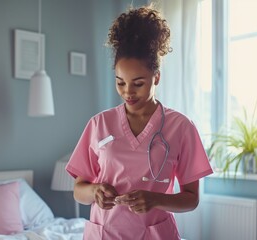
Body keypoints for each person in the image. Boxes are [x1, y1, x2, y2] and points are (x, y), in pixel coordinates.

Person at [66, 4, 213, 240]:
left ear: (156, 78)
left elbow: (191, 199)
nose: (127, 92)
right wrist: (95, 191)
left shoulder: (181, 127)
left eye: (138, 83)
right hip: (105, 233)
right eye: (120, 82)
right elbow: (78, 191)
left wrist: (155, 199)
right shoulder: (99, 124)